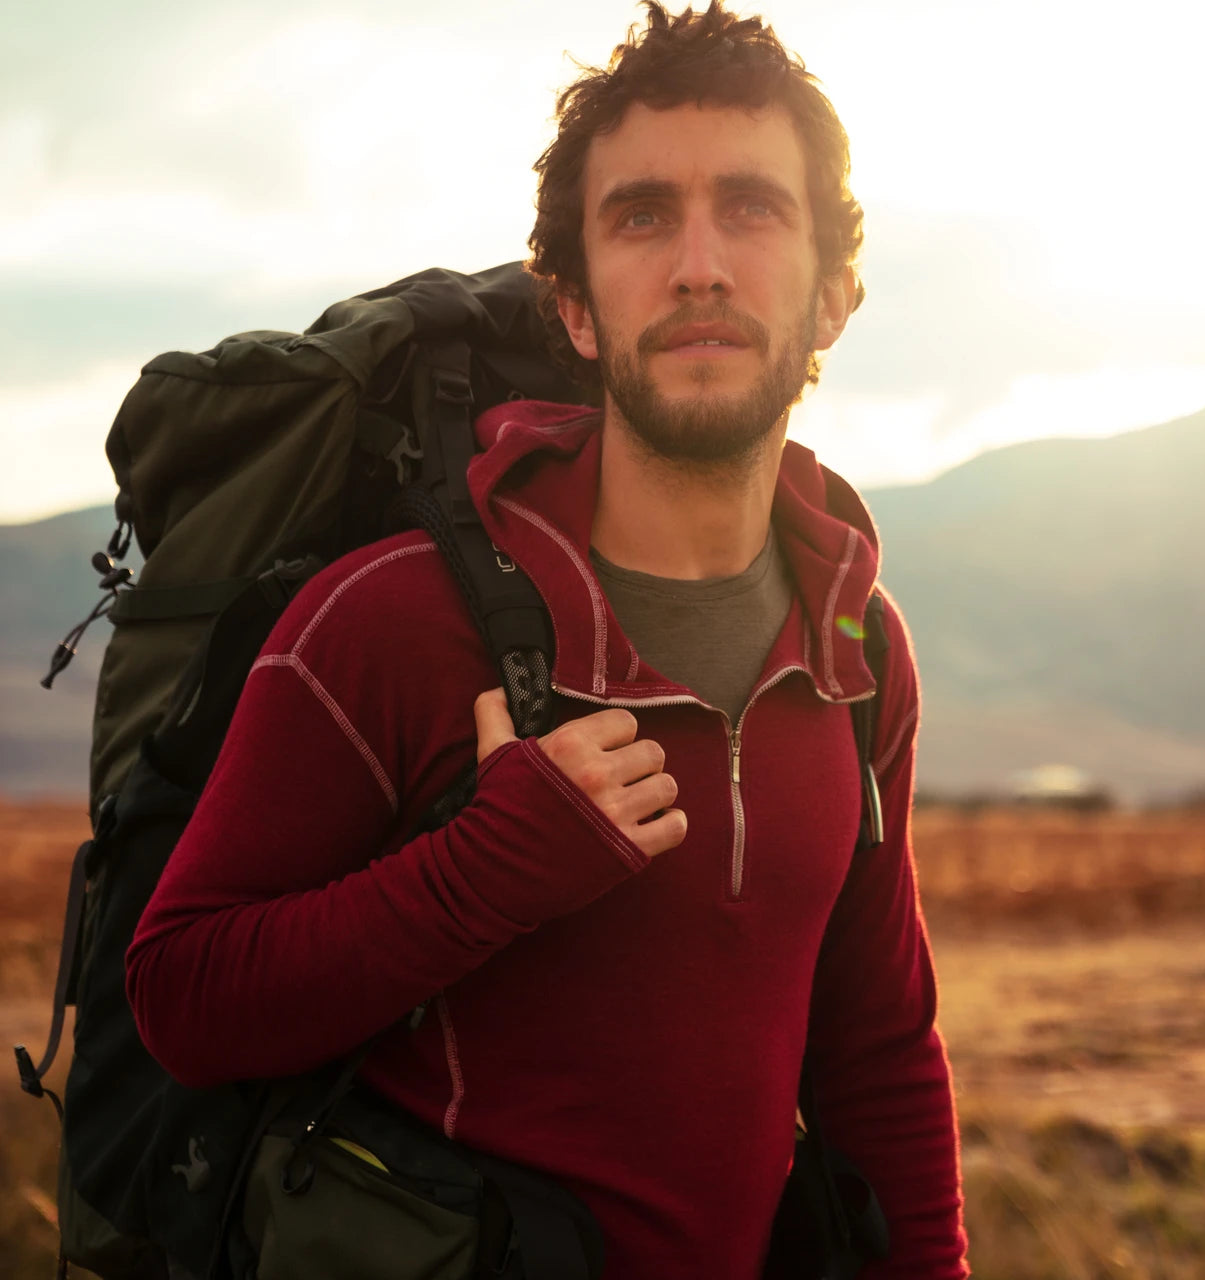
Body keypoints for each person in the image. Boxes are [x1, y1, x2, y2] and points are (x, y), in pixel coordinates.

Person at [126, 3, 968, 1276]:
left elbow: (877, 1047)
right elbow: (181, 997)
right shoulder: (395, 619)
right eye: (640, 216)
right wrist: (477, 874)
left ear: (832, 294)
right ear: (573, 308)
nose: (698, 264)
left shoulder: (856, 642)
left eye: (750, 207)